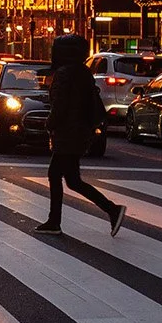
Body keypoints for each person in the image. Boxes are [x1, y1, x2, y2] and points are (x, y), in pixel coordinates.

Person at [36, 33, 126, 237]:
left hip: (67, 133)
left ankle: (55, 221)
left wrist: (49, 124)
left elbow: (60, 106)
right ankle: (111, 210)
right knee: (72, 180)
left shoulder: (64, 73)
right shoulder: (83, 72)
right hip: (79, 132)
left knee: (55, 175)